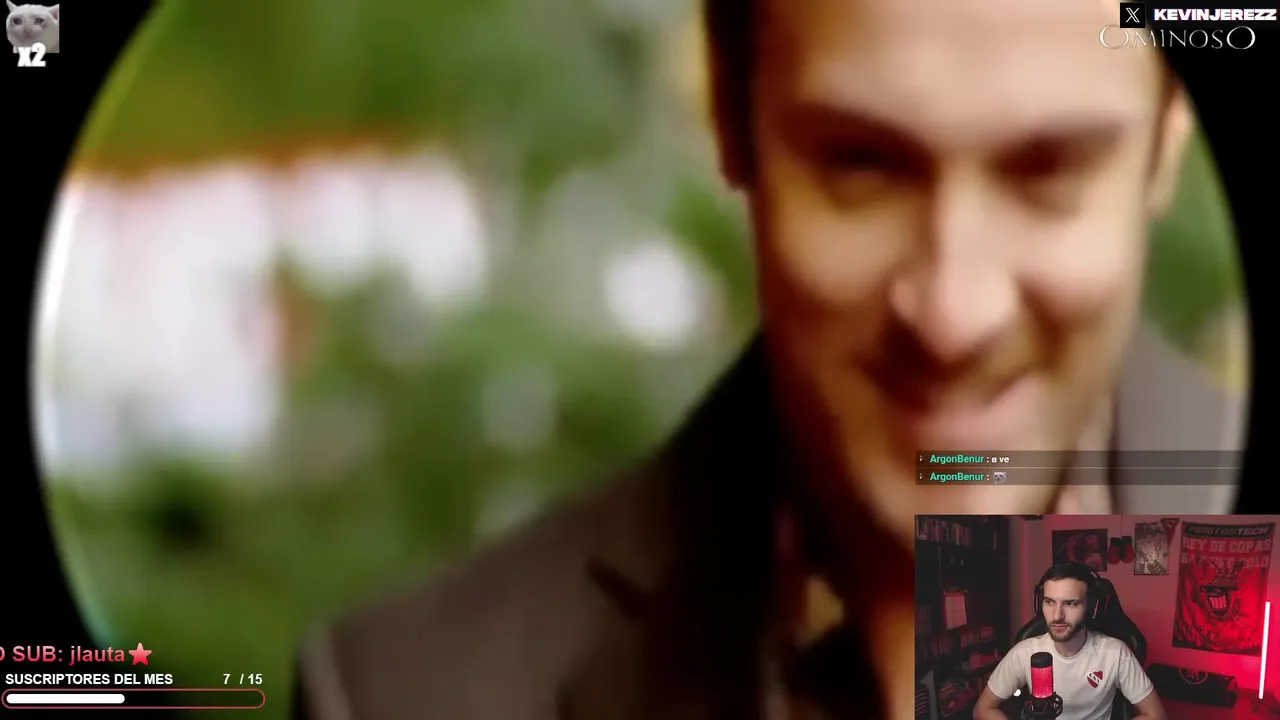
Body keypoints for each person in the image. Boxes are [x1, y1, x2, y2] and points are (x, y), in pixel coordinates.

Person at [291, 0, 1244, 716]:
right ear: (729, 112)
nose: (954, 315)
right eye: (861, 165)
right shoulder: (403, 694)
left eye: (1049, 171)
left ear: (1169, 136)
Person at [975, 563, 1165, 720]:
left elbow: (1156, 714)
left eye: (1071, 603)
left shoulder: (1115, 653)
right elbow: (983, 709)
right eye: (1049, 602)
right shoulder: (1024, 652)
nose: (1057, 615)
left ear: (1091, 608)